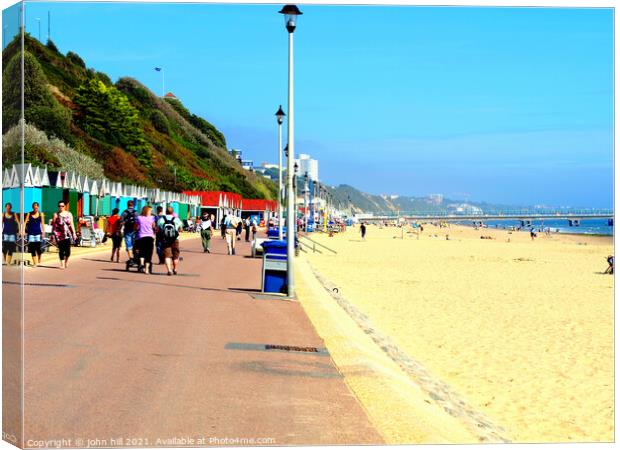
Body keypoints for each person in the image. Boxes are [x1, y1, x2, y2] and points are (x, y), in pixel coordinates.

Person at [157, 206, 183, 276]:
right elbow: (181, 229)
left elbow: (158, 229)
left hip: (165, 240)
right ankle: (175, 268)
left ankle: (169, 270)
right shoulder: (177, 219)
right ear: (172, 212)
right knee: (175, 255)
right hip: (175, 239)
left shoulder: (161, 219)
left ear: (166, 212)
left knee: (167, 255)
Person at [51, 201, 77, 269]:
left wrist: (74, 233)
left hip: (67, 234)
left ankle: (66, 261)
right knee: (61, 250)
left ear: (65, 206)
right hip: (59, 234)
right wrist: (53, 235)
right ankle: (62, 264)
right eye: (59, 206)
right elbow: (53, 225)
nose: (61, 207)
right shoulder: (56, 214)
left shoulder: (69, 214)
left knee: (68, 251)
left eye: (62, 206)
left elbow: (72, 224)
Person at [135, 205, 156, 274]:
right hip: (150, 237)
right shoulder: (152, 218)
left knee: (142, 251)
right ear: (147, 211)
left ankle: (141, 264)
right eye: (150, 211)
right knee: (149, 253)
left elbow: (136, 227)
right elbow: (154, 227)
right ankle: (146, 269)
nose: (151, 212)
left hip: (141, 236)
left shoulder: (139, 218)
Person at [24, 202, 45, 267]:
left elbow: (42, 224)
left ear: (38, 207)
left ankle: (39, 259)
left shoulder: (41, 214)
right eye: (34, 207)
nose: (35, 208)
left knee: (38, 248)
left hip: (38, 233)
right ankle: (35, 263)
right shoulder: (29, 214)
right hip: (31, 234)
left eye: (36, 207)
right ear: (32, 207)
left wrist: (43, 232)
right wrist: (24, 231)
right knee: (32, 248)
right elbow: (25, 223)